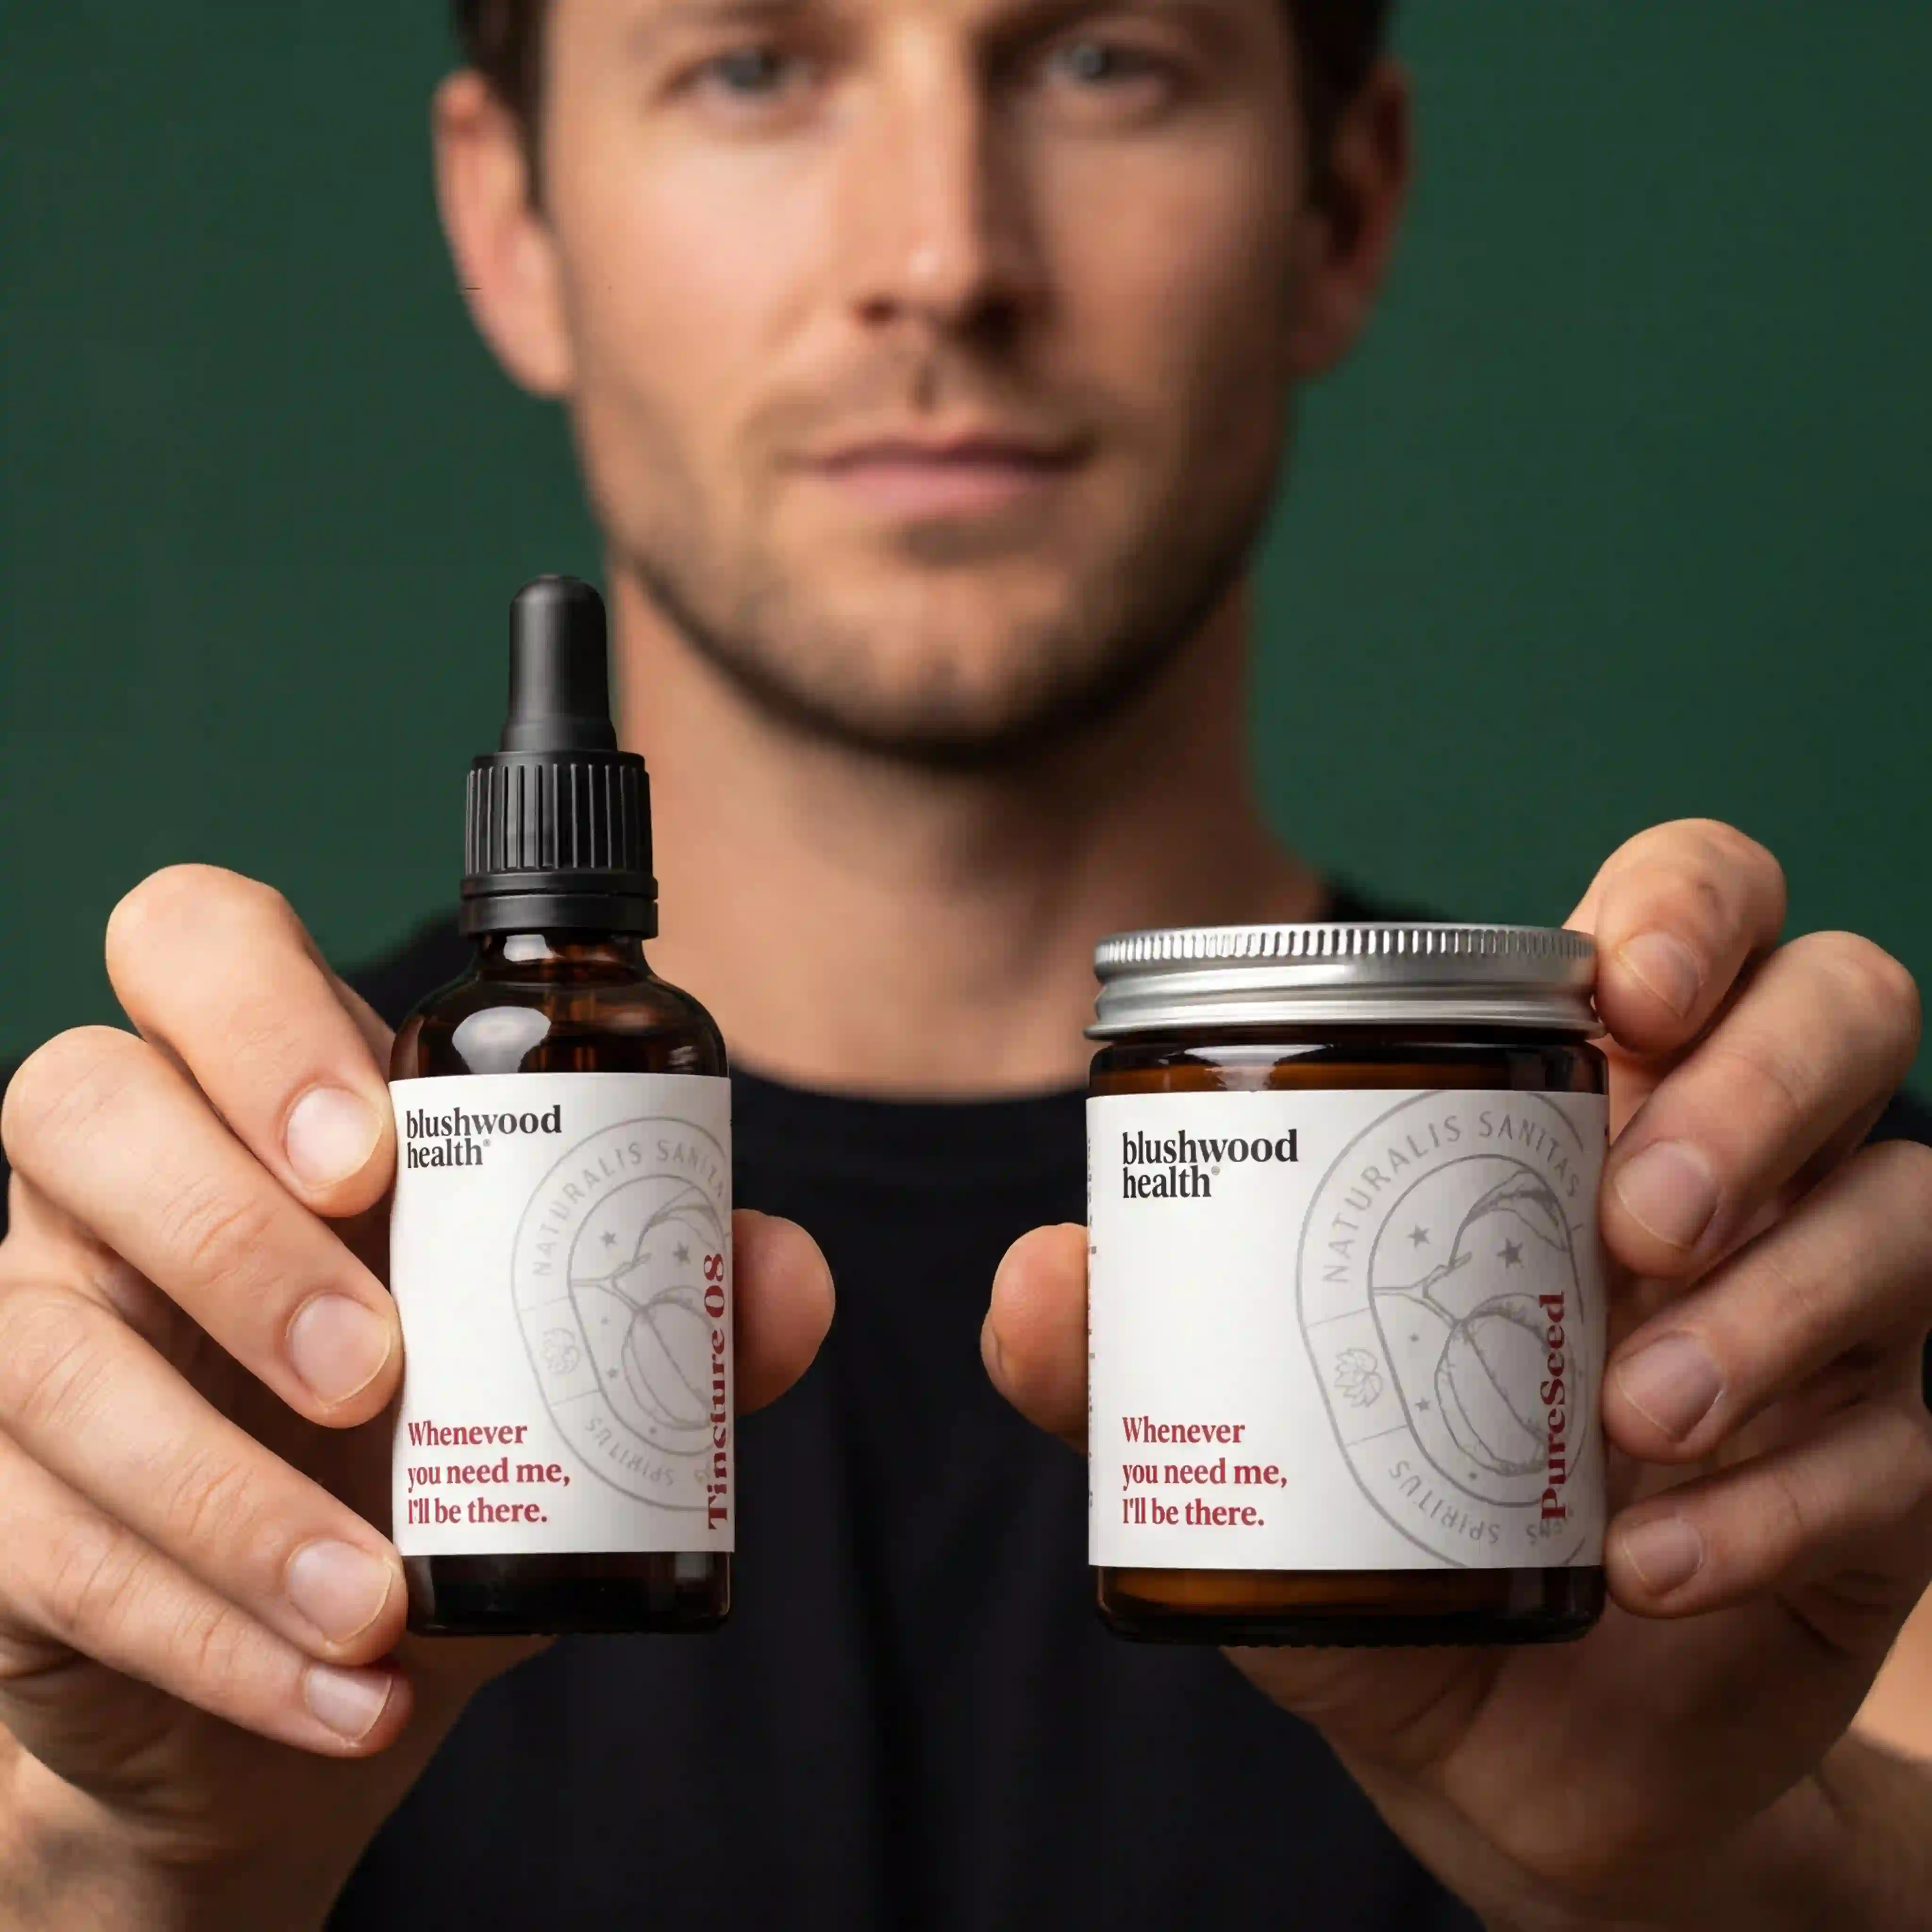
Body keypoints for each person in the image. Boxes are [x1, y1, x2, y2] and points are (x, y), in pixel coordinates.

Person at [2, 0, 1930, 1923]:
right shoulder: (167, 1332)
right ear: (515, 225)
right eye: (750, 68)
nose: (941, 260)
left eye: (1103, 63)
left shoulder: (1741, 1311)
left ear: (1337, 207)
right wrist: (132, 1863)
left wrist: (1756, 1870)